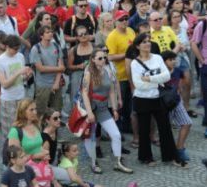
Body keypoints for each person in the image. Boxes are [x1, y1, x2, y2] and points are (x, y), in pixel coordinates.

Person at [129, 34, 179, 166]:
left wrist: (150, 79)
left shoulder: (157, 58)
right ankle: (146, 158)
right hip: (142, 99)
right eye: (144, 42)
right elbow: (138, 85)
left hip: (158, 97)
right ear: (138, 46)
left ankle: (170, 156)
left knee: (165, 128)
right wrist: (158, 80)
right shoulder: (135, 63)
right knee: (144, 130)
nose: (148, 44)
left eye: (148, 41)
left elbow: (167, 76)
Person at [81, 50, 133, 174]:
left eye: (104, 57)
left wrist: (114, 108)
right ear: (92, 59)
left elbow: (111, 91)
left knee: (116, 135)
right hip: (91, 107)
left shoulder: (108, 70)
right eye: (100, 58)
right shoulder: (88, 72)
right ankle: (93, 162)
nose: (103, 60)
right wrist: (89, 112)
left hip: (103, 108)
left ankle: (118, 162)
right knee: (90, 137)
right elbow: (84, 92)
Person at [59, 143, 137, 187]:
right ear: (67, 153)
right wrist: (83, 184)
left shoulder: (74, 159)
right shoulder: (66, 162)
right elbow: (73, 178)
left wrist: (81, 181)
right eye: (74, 151)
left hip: (75, 183)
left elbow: (75, 175)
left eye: (77, 150)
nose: (78, 152)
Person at [162, 51, 192, 165]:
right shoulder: (160, 72)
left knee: (187, 123)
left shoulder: (178, 71)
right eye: (170, 59)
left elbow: (180, 85)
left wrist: (182, 99)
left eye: (174, 59)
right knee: (165, 129)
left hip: (176, 101)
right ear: (164, 62)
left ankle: (179, 149)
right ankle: (168, 152)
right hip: (164, 104)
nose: (174, 61)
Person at [30, 27, 65, 116]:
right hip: (42, 85)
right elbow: (41, 68)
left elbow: (61, 65)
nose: (50, 33)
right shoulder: (36, 49)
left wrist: (56, 83)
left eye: (51, 31)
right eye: (47, 32)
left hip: (56, 84)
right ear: (41, 36)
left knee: (56, 111)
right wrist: (58, 68)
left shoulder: (56, 46)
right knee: (41, 111)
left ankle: (54, 129)